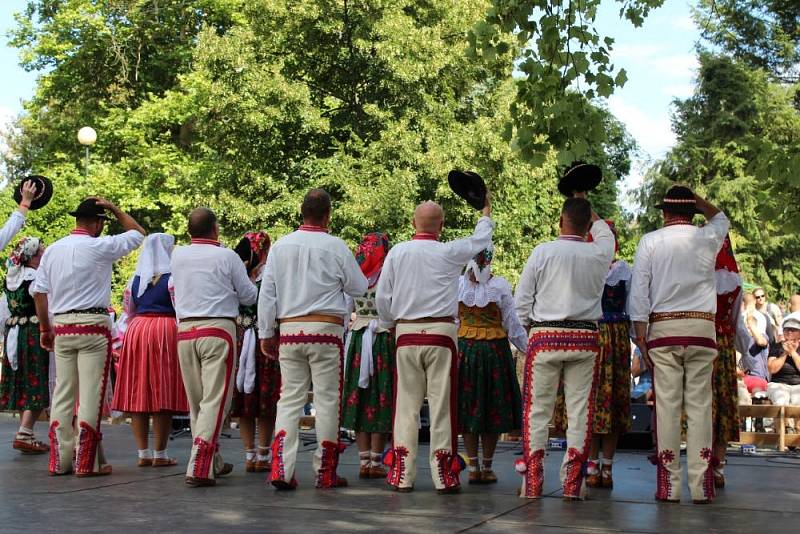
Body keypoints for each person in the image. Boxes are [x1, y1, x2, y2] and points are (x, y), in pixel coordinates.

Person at [376, 195, 494, 494]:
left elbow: (382, 297)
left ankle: (402, 474)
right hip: (441, 333)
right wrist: (485, 211)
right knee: (442, 406)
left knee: (406, 406)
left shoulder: (398, 253)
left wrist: (391, 323)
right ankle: (444, 474)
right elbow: (481, 239)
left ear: (413, 223)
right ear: (441, 226)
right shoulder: (449, 251)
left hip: (406, 332)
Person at [258, 189, 367, 490]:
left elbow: (267, 294)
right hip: (326, 331)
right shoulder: (335, 246)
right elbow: (358, 287)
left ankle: (281, 468)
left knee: (289, 399)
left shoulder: (281, 246)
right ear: (328, 215)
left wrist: (266, 332)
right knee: (327, 399)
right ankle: (325, 471)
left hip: (291, 331)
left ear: (301, 212)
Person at [628, 186, 729, 504]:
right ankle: (701, 486)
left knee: (667, 408)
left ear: (664, 212)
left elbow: (639, 291)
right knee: (701, 408)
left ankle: (669, 485)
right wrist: (699, 200)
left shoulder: (651, 240)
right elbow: (721, 217)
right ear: (692, 212)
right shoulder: (708, 236)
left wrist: (641, 337)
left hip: (664, 331)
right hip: (702, 329)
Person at [32, 197, 145, 477]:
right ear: (97, 224)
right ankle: (87, 461)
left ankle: (60, 459)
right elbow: (138, 233)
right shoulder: (100, 246)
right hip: (93, 325)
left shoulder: (53, 250)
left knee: (63, 393)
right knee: (91, 394)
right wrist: (117, 209)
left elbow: (39, 292)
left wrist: (45, 328)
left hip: (62, 326)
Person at [514, 197, 614, 500]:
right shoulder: (599, 251)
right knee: (580, 411)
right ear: (588, 226)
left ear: (560, 220)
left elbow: (521, 303)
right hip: (584, 338)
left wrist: (529, 335)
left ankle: (532, 481)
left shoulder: (542, 251)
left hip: (545, 336)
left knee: (537, 411)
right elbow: (604, 230)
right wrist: (588, 208)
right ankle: (573, 484)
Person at [170, 208, 258, 487]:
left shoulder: (178, 255)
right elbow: (248, 295)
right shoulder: (227, 256)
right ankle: (200, 463)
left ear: (189, 230)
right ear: (215, 229)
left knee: (197, 402)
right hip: (218, 329)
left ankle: (213, 461)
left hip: (185, 331)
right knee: (215, 400)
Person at [111, 233, 188, 467]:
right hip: (165, 330)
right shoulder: (173, 279)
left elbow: (128, 311)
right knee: (162, 392)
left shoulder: (134, 280)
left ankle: (143, 453)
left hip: (138, 331)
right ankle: (160, 454)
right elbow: (180, 308)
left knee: (139, 391)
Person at [456, 247, 527, 485]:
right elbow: (511, 323)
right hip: (483, 351)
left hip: (476, 351)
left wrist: (528, 348)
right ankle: (477, 466)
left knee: (488, 408)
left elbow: (511, 321)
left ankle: (483, 465)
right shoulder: (465, 285)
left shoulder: (494, 286)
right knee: (472, 408)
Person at [340, 232, 395, 479]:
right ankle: (374, 459)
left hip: (359, 339)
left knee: (360, 398)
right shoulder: (388, 275)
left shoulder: (355, 275)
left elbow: (344, 310)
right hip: (382, 338)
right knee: (380, 398)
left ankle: (365, 461)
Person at [229, 231, 280, 473]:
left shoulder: (270, 274)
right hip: (249, 340)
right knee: (245, 400)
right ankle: (252, 453)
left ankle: (262, 452)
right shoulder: (237, 274)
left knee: (265, 400)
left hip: (258, 340)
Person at [0, 237, 49, 454]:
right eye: (41, 252)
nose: (44, 255)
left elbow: (4, 310)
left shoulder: (11, 278)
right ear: (34, 257)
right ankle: (25, 432)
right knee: (37, 378)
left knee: (23, 380)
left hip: (14, 332)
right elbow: (44, 304)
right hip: (33, 332)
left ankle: (26, 432)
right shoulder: (36, 278)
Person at [711, 236, 742, 488]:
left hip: (701, 340)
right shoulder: (735, 281)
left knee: (701, 403)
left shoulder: (701, 278)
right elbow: (735, 321)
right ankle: (718, 467)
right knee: (722, 403)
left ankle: (700, 461)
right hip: (723, 344)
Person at [766, 312, 800, 432]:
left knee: (798, 401)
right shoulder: (776, 347)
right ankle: (781, 437)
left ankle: (797, 434)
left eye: (793, 330)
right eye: (787, 330)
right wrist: (785, 353)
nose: (789, 332)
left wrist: (794, 352)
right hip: (778, 383)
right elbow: (772, 368)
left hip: (798, 385)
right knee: (780, 402)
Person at [739, 293, 770, 395]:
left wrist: (750, 322)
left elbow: (761, 342)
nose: (747, 328)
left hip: (757, 379)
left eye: (748, 326)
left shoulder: (762, 337)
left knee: (757, 393)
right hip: (740, 379)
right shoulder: (739, 341)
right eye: (746, 326)